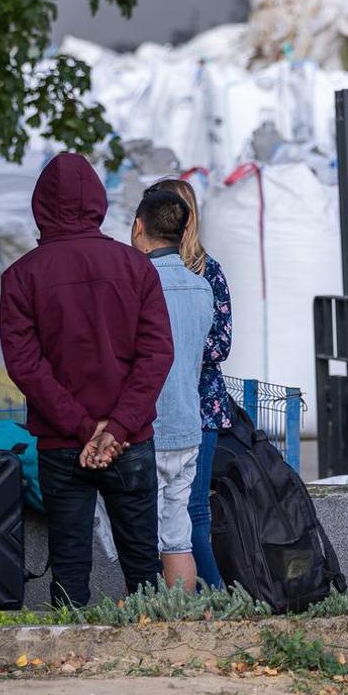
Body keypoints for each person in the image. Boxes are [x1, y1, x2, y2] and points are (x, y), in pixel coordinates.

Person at [0, 153, 174, 606]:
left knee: (70, 562)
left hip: (61, 441)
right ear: (97, 202)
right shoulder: (136, 268)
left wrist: (83, 429)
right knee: (142, 561)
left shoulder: (22, 276)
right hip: (130, 438)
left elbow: (26, 365)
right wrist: (116, 428)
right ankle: (152, 650)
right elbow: (156, 355)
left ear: (41, 206)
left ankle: (68, 653)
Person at [151, 177, 231, 590]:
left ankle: (216, 599)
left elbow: (220, 344)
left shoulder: (206, 270)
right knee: (167, 516)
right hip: (162, 406)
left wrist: (175, 352)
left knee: (193, 512)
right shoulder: (144, 270)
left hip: (199, 406)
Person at [133, 188, 214, 590]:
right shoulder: (202, 286)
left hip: (145, 427)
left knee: (140, 537)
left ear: (138, 226)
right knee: (178, 537)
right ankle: (181, 621)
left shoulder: (137, 283)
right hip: (187, 423)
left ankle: (148, 620)